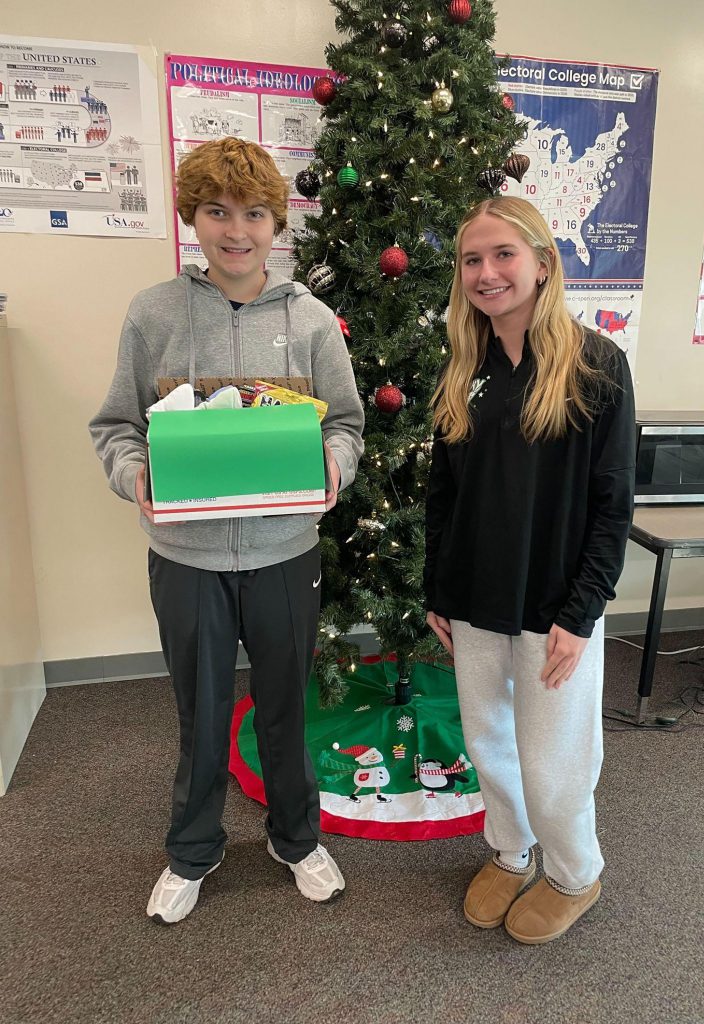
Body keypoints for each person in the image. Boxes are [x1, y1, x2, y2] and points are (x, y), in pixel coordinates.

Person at [89, 137, 364, 924]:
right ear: (193, 219)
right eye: (216, 212)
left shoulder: (311, 322)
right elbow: (115, 426)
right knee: (201, 712)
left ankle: (296, 837)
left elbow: (345, 424)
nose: (235, 230)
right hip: (187, 559)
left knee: (285, 705)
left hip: (285, 553)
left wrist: (335, 466)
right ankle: (192, 851)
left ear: (277, 222)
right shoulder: (154, 314)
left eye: (252, 213)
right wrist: (133, 474)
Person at [424, 197, 635, 945]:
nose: (487, 273)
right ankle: (511, 854)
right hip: (476, 596)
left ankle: (575, 872)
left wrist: (580, 615)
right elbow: (444, 494)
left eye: (503, 255)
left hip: (556, 605)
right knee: (489, 740)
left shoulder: (597, 364)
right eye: (472, 260)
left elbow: (613, 506)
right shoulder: (464, 366)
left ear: (544, 263)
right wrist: (437, 591)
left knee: (554, 761)